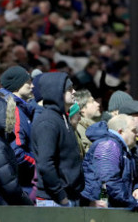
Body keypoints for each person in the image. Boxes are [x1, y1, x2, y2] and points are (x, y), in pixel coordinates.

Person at [31, 72, 84, 207]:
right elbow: (45, 164)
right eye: (69, 89)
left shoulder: (62, 118)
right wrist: (61, 197)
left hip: (69, 197)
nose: (74, 92)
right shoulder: (48, 122)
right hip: (54, 201)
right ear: (56, 91)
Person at [81, 114, 138, 210]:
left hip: (114, 209)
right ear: (121, 131)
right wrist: (132, 202)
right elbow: (108, 181)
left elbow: (133, 178)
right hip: (103, 211)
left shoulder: (124, 150)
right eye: (133, 131)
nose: (137, 134)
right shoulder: (108, 146)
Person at [0, 65, 37, 198]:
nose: (32, 86)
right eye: (28, 82)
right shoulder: (13, 109)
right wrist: (37, 164)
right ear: (17, 85)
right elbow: (17, 152)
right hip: (22, 183)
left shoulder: (19, 107)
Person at [75, 89, 102, 154]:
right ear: (82, 109)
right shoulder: (79, 129)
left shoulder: (93, 125)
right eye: (92, 101)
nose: (97, 104)